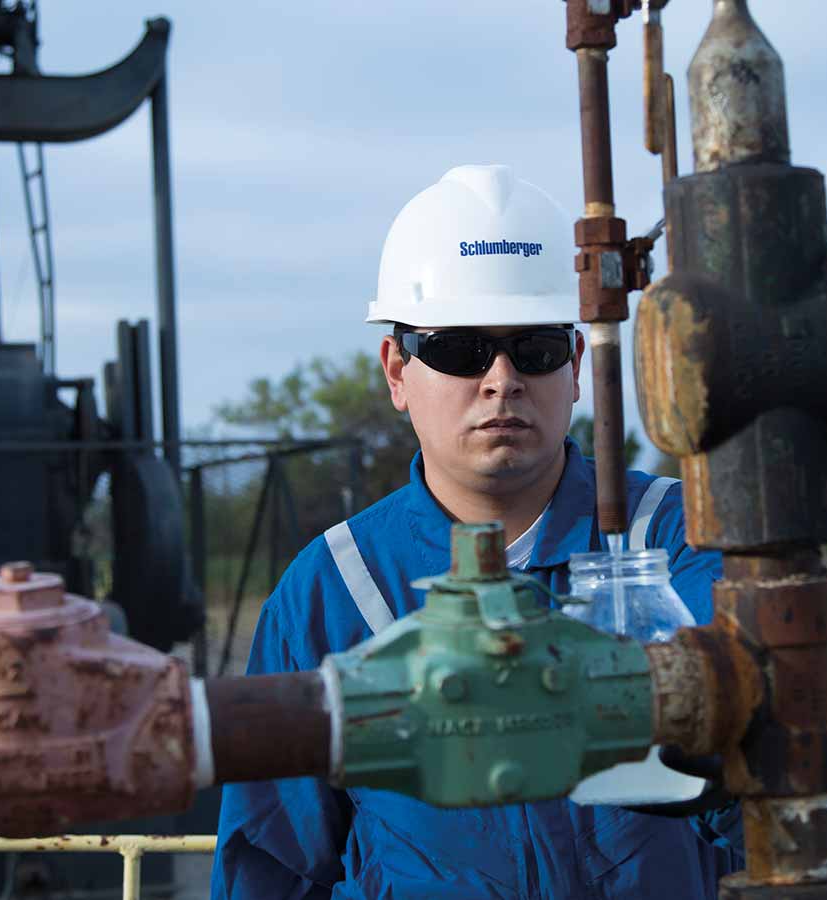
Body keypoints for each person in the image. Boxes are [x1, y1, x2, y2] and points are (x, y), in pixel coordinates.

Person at [211, 164, 742, 899]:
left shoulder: (678, 541)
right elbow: (273, 867)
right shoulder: (334, 589)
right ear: (397, 371)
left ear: (578, 366)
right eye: (460, 350)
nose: (501, 379)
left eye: (537, 350)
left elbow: (762, 786)